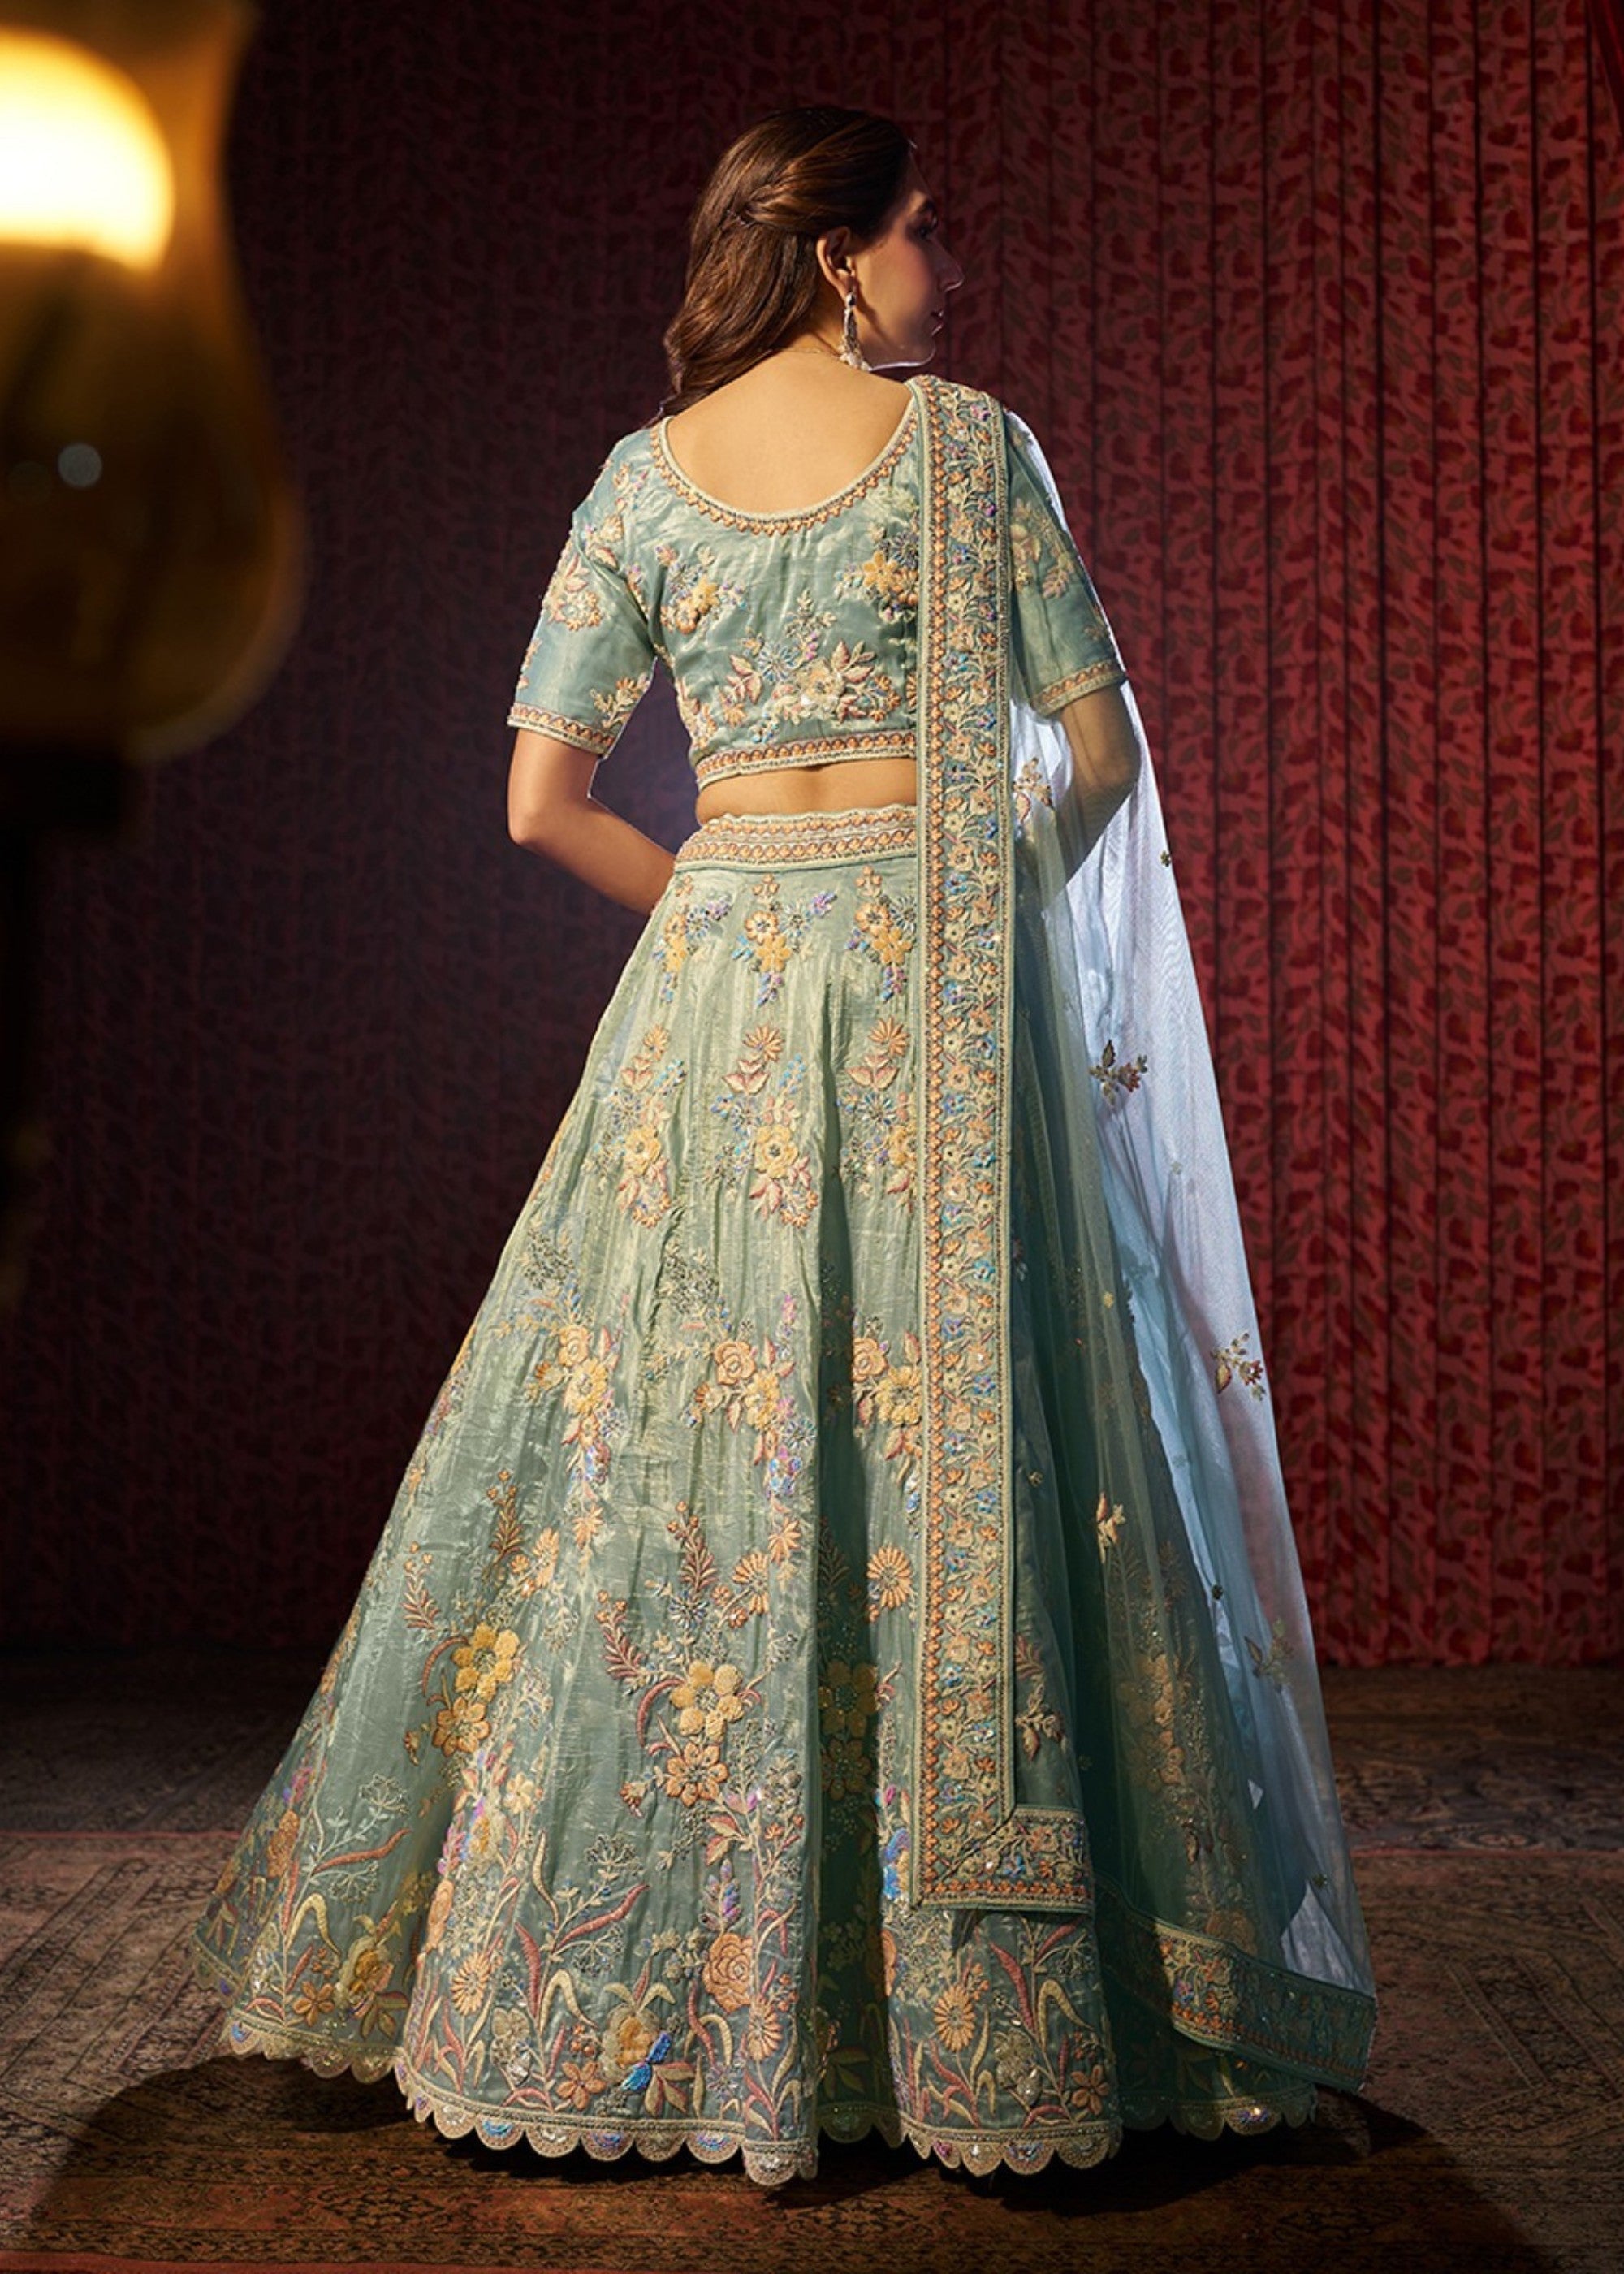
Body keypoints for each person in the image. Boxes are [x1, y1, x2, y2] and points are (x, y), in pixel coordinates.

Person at [192, 106, 1376, 2189]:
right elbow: (1099, 755)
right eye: (921, 230)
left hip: (716, 1004)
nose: (945, 265)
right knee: (975, 1436)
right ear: (838, 253)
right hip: (933, 1005)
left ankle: (631, 1986)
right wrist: (966, 909)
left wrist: (731, 911)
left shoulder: (641, 480)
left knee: (662, 1446)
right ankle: (1003, 2007)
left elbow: (540, 803)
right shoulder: (972, 450)